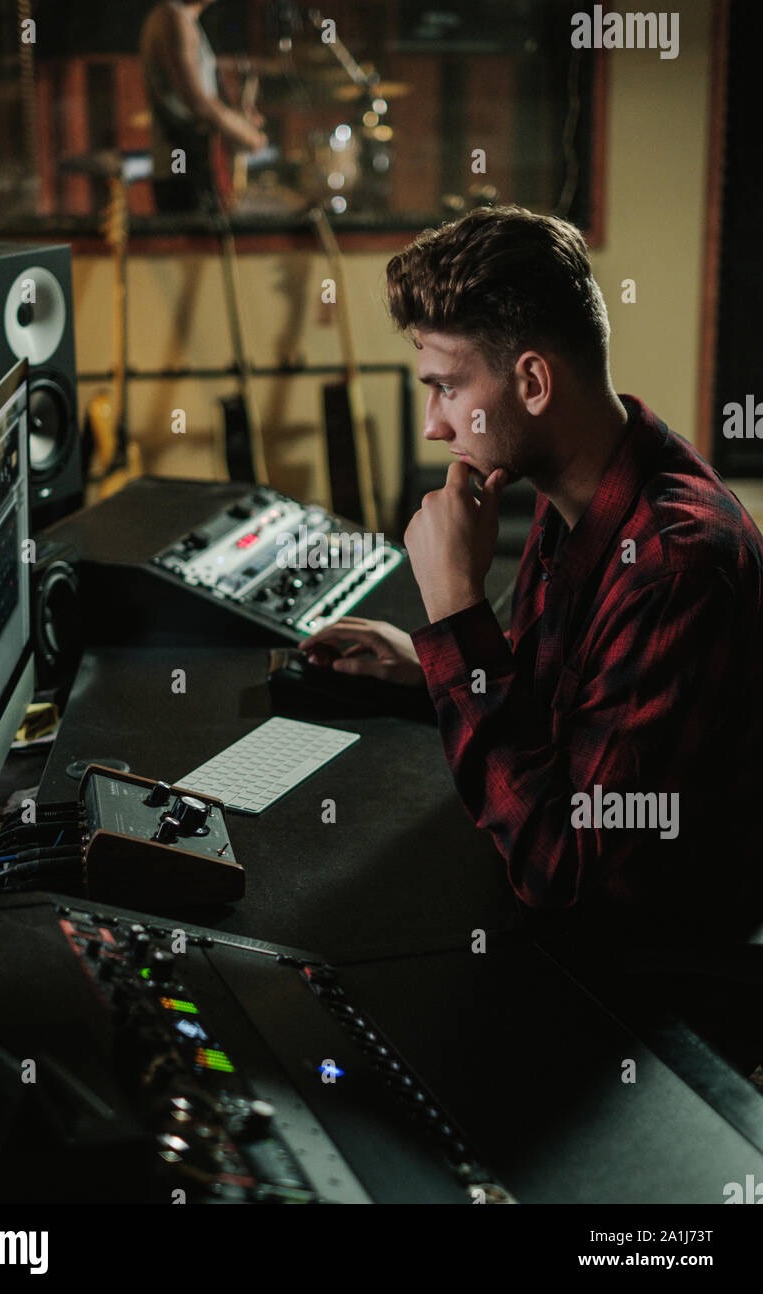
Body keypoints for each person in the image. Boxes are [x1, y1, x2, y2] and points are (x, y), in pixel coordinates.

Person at [301, 205, 763, 952]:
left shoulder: (679, 567)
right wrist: (433, 665)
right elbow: (564, 707)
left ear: (534, 382)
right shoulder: (580, 483)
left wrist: (454, 608)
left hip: (657, 988)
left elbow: (560, 865)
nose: (432, 423)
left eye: (447, 386)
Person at [140, 0, 266, 214]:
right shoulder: (173, 19)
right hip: (182, 172)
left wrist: (237, 117)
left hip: (195, 168)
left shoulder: (186, 19)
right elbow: (199, 103)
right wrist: (248, 135)